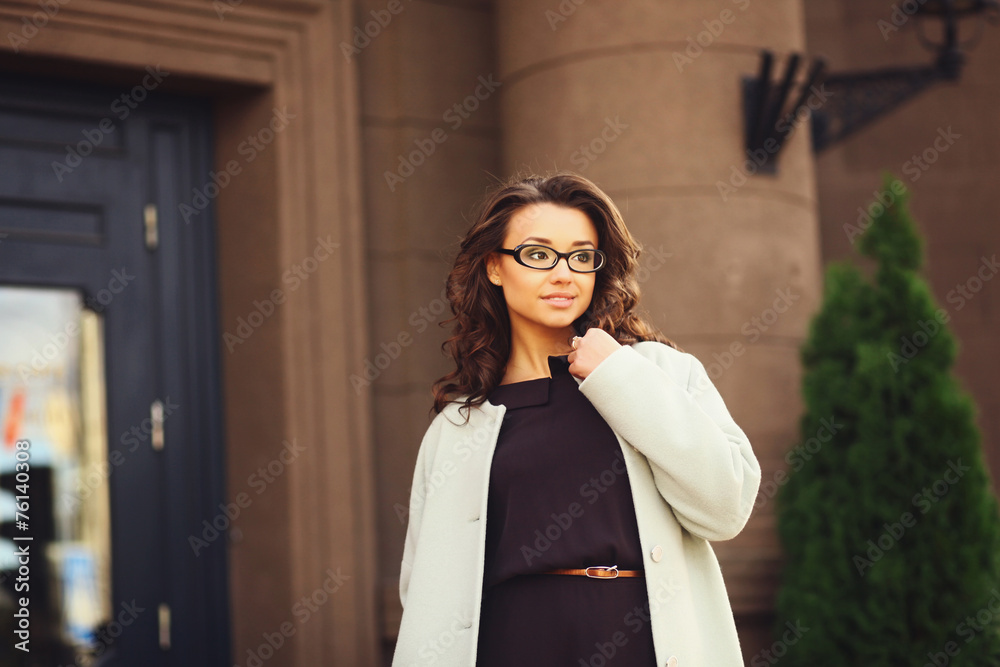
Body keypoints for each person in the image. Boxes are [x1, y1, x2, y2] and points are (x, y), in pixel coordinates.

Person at [391, 172, 761, 667]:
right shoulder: (461, 424)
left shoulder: (658, 373)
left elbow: (726, 506)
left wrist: (617, 375)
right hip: (511, 646)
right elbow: (425, 585)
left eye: (581, 257)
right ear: (495, 268)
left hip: (641, 644)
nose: (563, 274)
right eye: (538, 255)